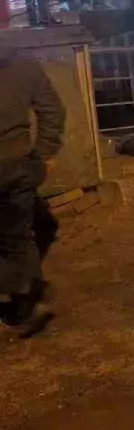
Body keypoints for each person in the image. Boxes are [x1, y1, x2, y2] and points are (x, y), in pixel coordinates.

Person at [0, 44, 65, 337]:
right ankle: (25, 295)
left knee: (20, 234)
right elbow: (53, 109)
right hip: (16, 166)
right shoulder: (20, 59)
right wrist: (44, 155)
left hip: (15, 168)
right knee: (20, 234)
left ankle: (22, 290)